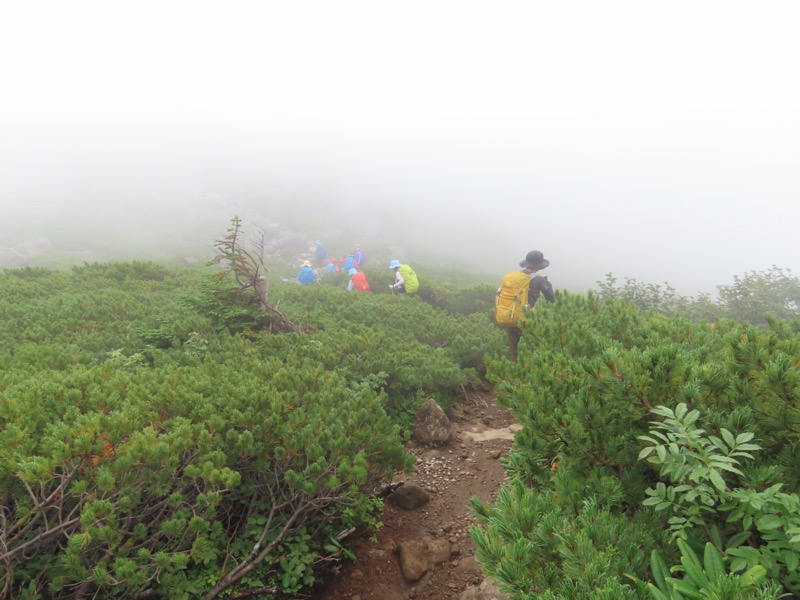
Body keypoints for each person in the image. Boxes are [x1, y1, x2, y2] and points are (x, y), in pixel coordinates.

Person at [494, 250, 554, 362]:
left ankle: (513, 374)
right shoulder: (539, 279)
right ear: (539, 266)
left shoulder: (515, 277)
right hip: (526, 321)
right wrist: (548, 285)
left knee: (514, 353)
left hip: (510, 317)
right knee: (530, 353)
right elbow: (551, 299)